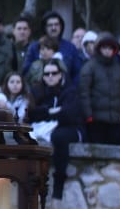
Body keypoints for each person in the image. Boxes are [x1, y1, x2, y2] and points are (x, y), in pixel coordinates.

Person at [29, 60, 85, 199]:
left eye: (54, 73)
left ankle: (58, 183)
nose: (50, 76)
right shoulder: (38, 90)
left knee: (59, 138)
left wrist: (47, 112)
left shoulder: (70, 90)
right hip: (44, 128)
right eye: (47, 74)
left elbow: (69, 114)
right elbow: (32, 113)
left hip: (71, 128)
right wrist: (52, 111)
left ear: (60, 75)